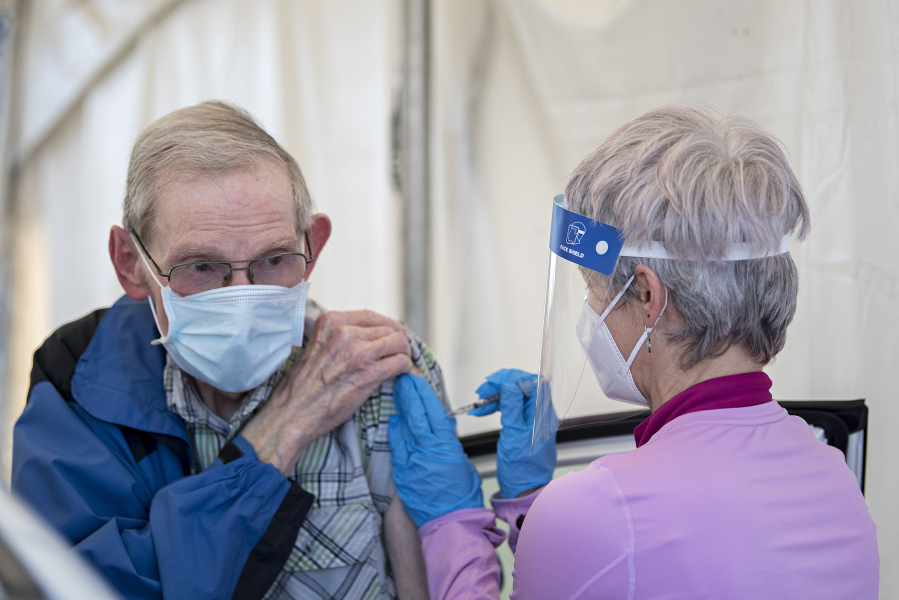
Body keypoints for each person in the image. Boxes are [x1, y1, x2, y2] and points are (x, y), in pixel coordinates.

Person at [387, 106, 880, 599]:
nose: (590, 312)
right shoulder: (833, 477)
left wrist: (453, 521)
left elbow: (619, 550)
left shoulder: (599, 510)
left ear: (647, 295)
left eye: (595, 290)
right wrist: (528, 504)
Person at [13, 101, 436, 600]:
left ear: (313, 246)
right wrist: (277, 432)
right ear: (131, 264)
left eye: (274, 259)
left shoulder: (374, 370)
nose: (242, 299)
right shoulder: (78, 378)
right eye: (201, 267)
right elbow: (84, 587)